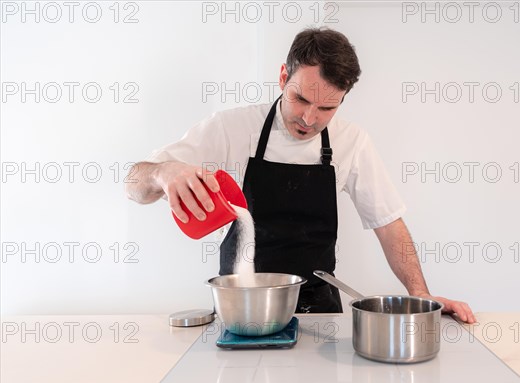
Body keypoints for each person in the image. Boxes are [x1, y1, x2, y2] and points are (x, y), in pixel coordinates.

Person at [126, 27, 475, 323]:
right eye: (300, 99)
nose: (309, 118)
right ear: (283, 77)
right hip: (244, 310)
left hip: (320, 314)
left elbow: (389, 225)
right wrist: (164, 173)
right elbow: (134, 184)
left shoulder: (351, 141)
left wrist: (421, 296)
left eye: (327, 108)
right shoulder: (231, 127)